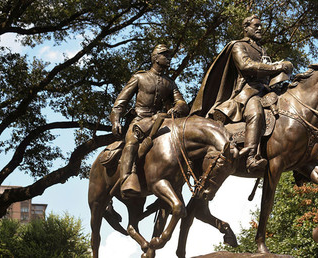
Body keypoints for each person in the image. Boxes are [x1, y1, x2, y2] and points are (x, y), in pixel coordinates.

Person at [190, 15, 293, 173]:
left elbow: (265, 70)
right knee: (256, 112)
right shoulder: (238, 45)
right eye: (256, 26)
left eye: (260, 25)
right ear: (246, 28)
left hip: (264, 90)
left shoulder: (262, 50)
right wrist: (278, 66)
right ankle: (251, 157)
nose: (260, 28)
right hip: (246, 92)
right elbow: (246, 66)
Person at [111, 44, 189, 197]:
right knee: (132, 143)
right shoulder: (139, 77)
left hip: (159, 121)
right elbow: (120, 102)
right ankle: (126, 180)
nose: (169, 59)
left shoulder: (170, 83)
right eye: (165, 55)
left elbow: (182, 103)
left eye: (169, 56)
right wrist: (115, 120)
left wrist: (177, 108)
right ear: (155, 58)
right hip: (139, 121)